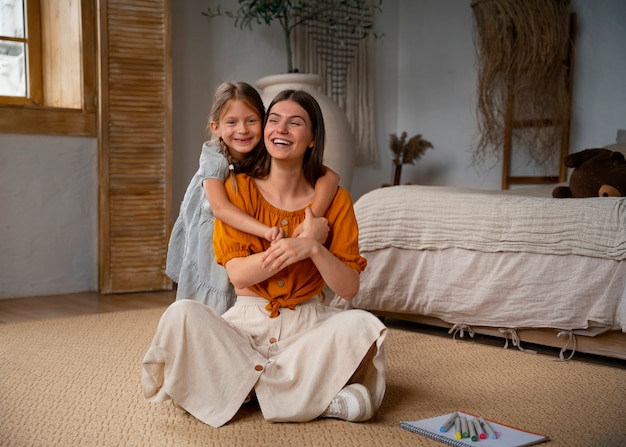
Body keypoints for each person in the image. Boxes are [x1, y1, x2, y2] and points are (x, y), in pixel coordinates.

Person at [142, 89, 387, 427]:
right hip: (246, 324)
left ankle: (239, 387)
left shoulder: (337, 200)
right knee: (181, 314)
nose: (281, 129)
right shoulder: (237, 188)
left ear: (313, 138)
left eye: (295, 123)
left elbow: (348, 289)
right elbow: (240, 275)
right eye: (274, 120)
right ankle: (308, 396)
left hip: (308, 324)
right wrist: (289, 251)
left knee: (363, 325)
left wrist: (313, 248)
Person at [165, 82, 339, 313]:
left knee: (245, 290)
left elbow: (330, 177)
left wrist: (311, 219)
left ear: (264, 121)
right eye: (232, 122)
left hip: (244, 224)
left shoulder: (266, 146)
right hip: (211, 228)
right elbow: (221, 208)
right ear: (215, 127)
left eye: (251, 121)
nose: (243, 130)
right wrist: (265, 230)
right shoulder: (215, 156)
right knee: (213, 288)